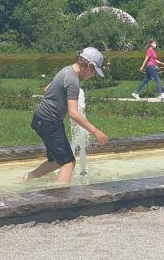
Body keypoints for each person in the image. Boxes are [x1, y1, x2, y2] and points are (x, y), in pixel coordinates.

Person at [24, 47, 109, 185]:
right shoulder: (73, 80)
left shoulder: (66, 70)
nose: (94, 75)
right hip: (49, 122)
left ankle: (27, 178)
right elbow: (73, 113)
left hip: (42, 119)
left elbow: (48, 88)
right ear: (88, 66)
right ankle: (62, 196)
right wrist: (95, 131)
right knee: (68, 163)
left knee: (56, 161)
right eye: (94, 71)